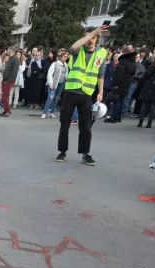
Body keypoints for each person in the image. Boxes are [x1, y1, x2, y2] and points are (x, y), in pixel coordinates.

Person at [56, 26, 108, 166]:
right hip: (71, 91)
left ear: (97, 39)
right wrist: (92, 32)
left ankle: (85, 153)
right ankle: (62, 151)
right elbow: (72, 47)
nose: (90, 40)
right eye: (88, 37)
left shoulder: (101, 53)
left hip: (87, 93)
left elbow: (100, 74)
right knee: (65, 124)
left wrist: (101, 92)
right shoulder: (78, 50)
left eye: (93, 37)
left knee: (86, 126)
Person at [104, 47, 136, 123]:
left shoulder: (123, 62)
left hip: (120, 84)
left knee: (116, 100)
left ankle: (114, 117)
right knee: (121, 100)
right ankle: (118, 116)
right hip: (126, 83)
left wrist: (115, 84)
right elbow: (133, 72)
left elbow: (119, 74)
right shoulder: (132, 62)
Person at [42, 51, 69, 119]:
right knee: (50, 97)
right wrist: (50, 83)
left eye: (66, 57)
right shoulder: (55, 64)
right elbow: (50, 74)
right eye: (64, 56)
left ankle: (52, 112)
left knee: (56, 98)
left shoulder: (66, 65)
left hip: (61, 83)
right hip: (54, 83)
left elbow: (66, 75)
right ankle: (44, 113)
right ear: (60, 57)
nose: (65, 58)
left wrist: (67, 80)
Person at [136, 54, 155, 128]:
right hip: (148, 87)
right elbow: (146, 75)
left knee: (152, 107)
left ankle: (149, 122)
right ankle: (141, 121)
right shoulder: (151, 67)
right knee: (144, 105)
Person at [1, 47, 19, 117]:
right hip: (5, 80)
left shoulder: (15, 59)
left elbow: (14, 71)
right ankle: (6, 110)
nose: (6, 51)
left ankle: (7, 111)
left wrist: (9, 80)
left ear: (11, 51)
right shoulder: (10, 58)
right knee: (4, 95)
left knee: (5, 95)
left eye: (7, 50)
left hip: (9, 80)